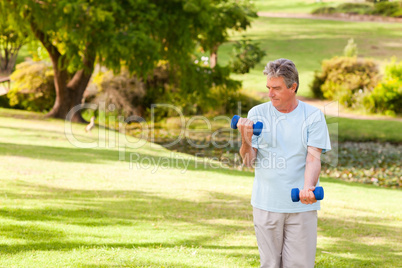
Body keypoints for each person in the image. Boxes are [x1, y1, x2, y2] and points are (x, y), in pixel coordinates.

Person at [236, 58, 331, 268]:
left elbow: (313, 157)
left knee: (300, 265)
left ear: (293, 87)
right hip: (266, 203)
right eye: (268, 87)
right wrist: (246, 138)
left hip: (301, 205)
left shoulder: (313, 116)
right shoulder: (257, 114)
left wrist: (308, 188)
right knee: (270, 264)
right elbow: (248, 161)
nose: (270, 94)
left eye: (276, 88)